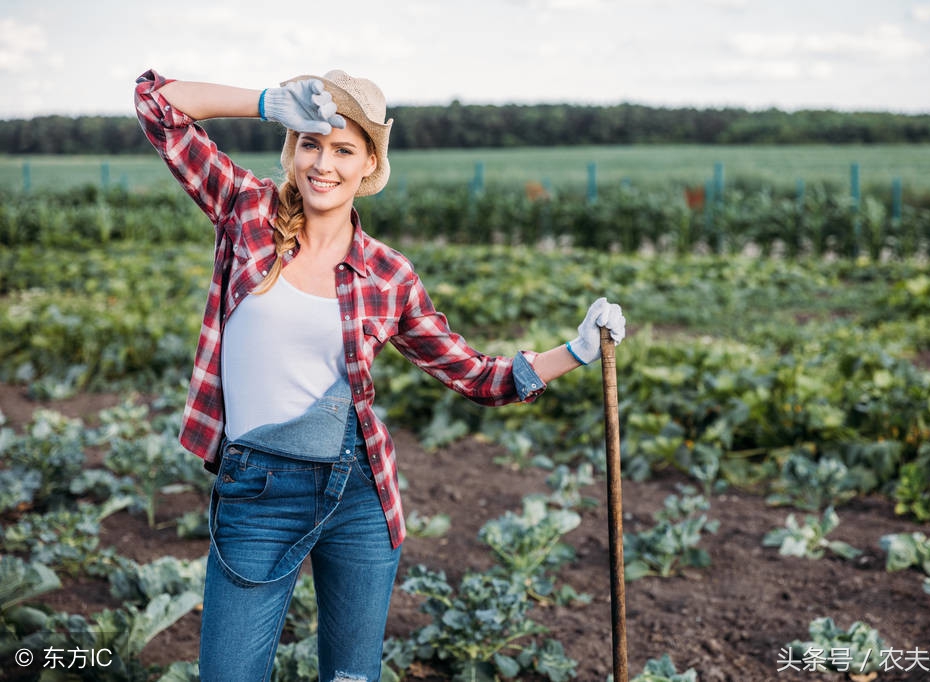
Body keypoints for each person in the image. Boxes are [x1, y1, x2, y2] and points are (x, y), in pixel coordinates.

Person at [134, 67, 626, 682]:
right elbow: (157, 104)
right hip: (255, 490)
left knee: (352, 678)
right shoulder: (247, 211)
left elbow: (476, 376)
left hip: (358, 492)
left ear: (368, 164)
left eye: (344, 149)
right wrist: (265, 103)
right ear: (293, 148)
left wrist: (576, 350)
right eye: (311, 142)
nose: (324, 164)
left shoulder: (388, 275)